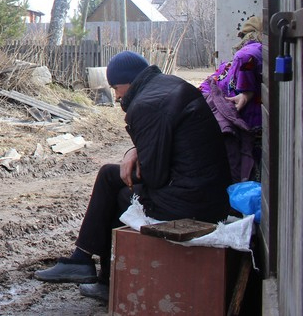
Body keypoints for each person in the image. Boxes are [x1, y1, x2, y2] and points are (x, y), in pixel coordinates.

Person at [33, 51, 232, 303]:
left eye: (116, 87)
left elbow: (154, 176)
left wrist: (135, 156)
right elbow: (165, 140)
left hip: (191, 202)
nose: (116, 96)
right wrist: (134, 151)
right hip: (208, 191)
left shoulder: (145, 105)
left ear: (128, 81)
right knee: (109, 174)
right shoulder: (170, 85)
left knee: (122, 194)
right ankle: (84, 262)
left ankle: (97, 272)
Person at [200, 15, 263, 182]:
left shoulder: (241, 56)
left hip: (238, 126)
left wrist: (246, 90)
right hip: (242, 126)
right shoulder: (242, 57)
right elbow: (245, 58)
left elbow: (245, 57)